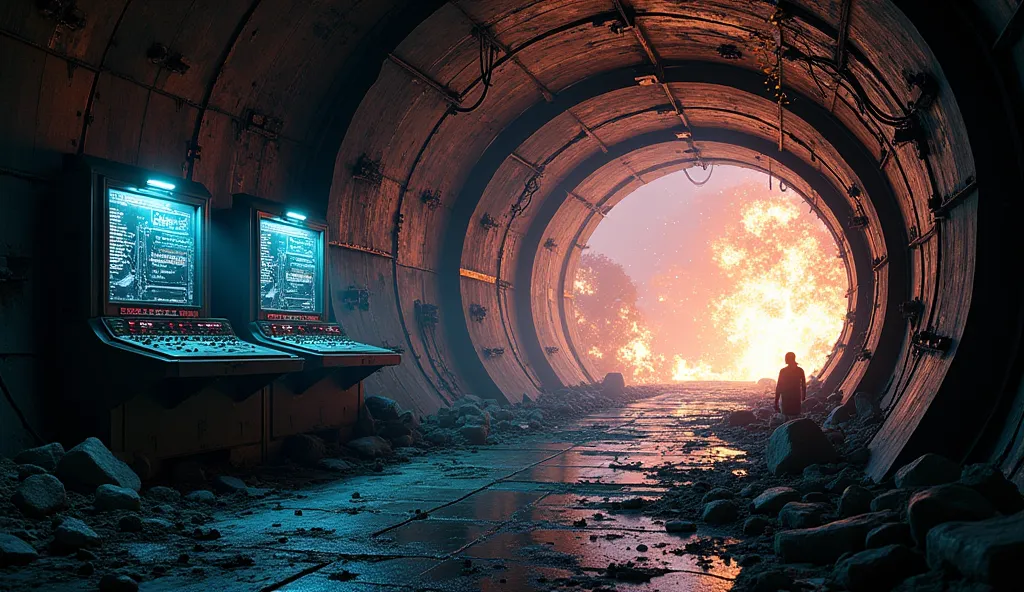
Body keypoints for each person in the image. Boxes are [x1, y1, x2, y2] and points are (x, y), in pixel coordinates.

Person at [774, 352, 806, 418]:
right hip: (796, 397)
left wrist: (776, 401)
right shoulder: (800, 370)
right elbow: (803, 385)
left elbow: (779, 386)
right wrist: (803, 396)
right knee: (796, 418)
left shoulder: (783, 371)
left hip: (786, 398)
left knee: (786, 418)